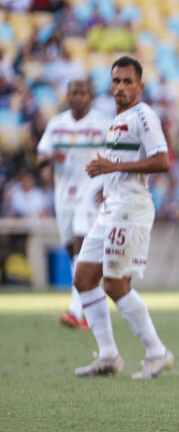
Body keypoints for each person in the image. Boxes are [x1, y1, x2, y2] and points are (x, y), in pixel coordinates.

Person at [73, 56, 174, 378]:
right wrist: (108, 183)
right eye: (116, 81)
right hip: (112, 207)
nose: (121, 87)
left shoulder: (143, 116)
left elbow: (162, 161)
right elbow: (123, 161)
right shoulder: (116, 121)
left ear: (139, 86)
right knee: (83, 278)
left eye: (128, 81)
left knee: (115, 283)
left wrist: (114, 168)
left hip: (131, 209)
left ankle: (157, 352)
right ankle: (108, 356)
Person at [37, 79, 111, 330]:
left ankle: (75, 310)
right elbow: (39, 158)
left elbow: (117, 156)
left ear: (90, 95)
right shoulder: (57, 124)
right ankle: (90, 306)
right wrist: (49, 157)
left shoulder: (102, 124)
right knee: (74, 254)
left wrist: (107, 184)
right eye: (73, 93)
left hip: (90, 193)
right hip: (64, 196)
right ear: (67, 96)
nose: (78, 97)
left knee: (81, 246)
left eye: (82, 93)